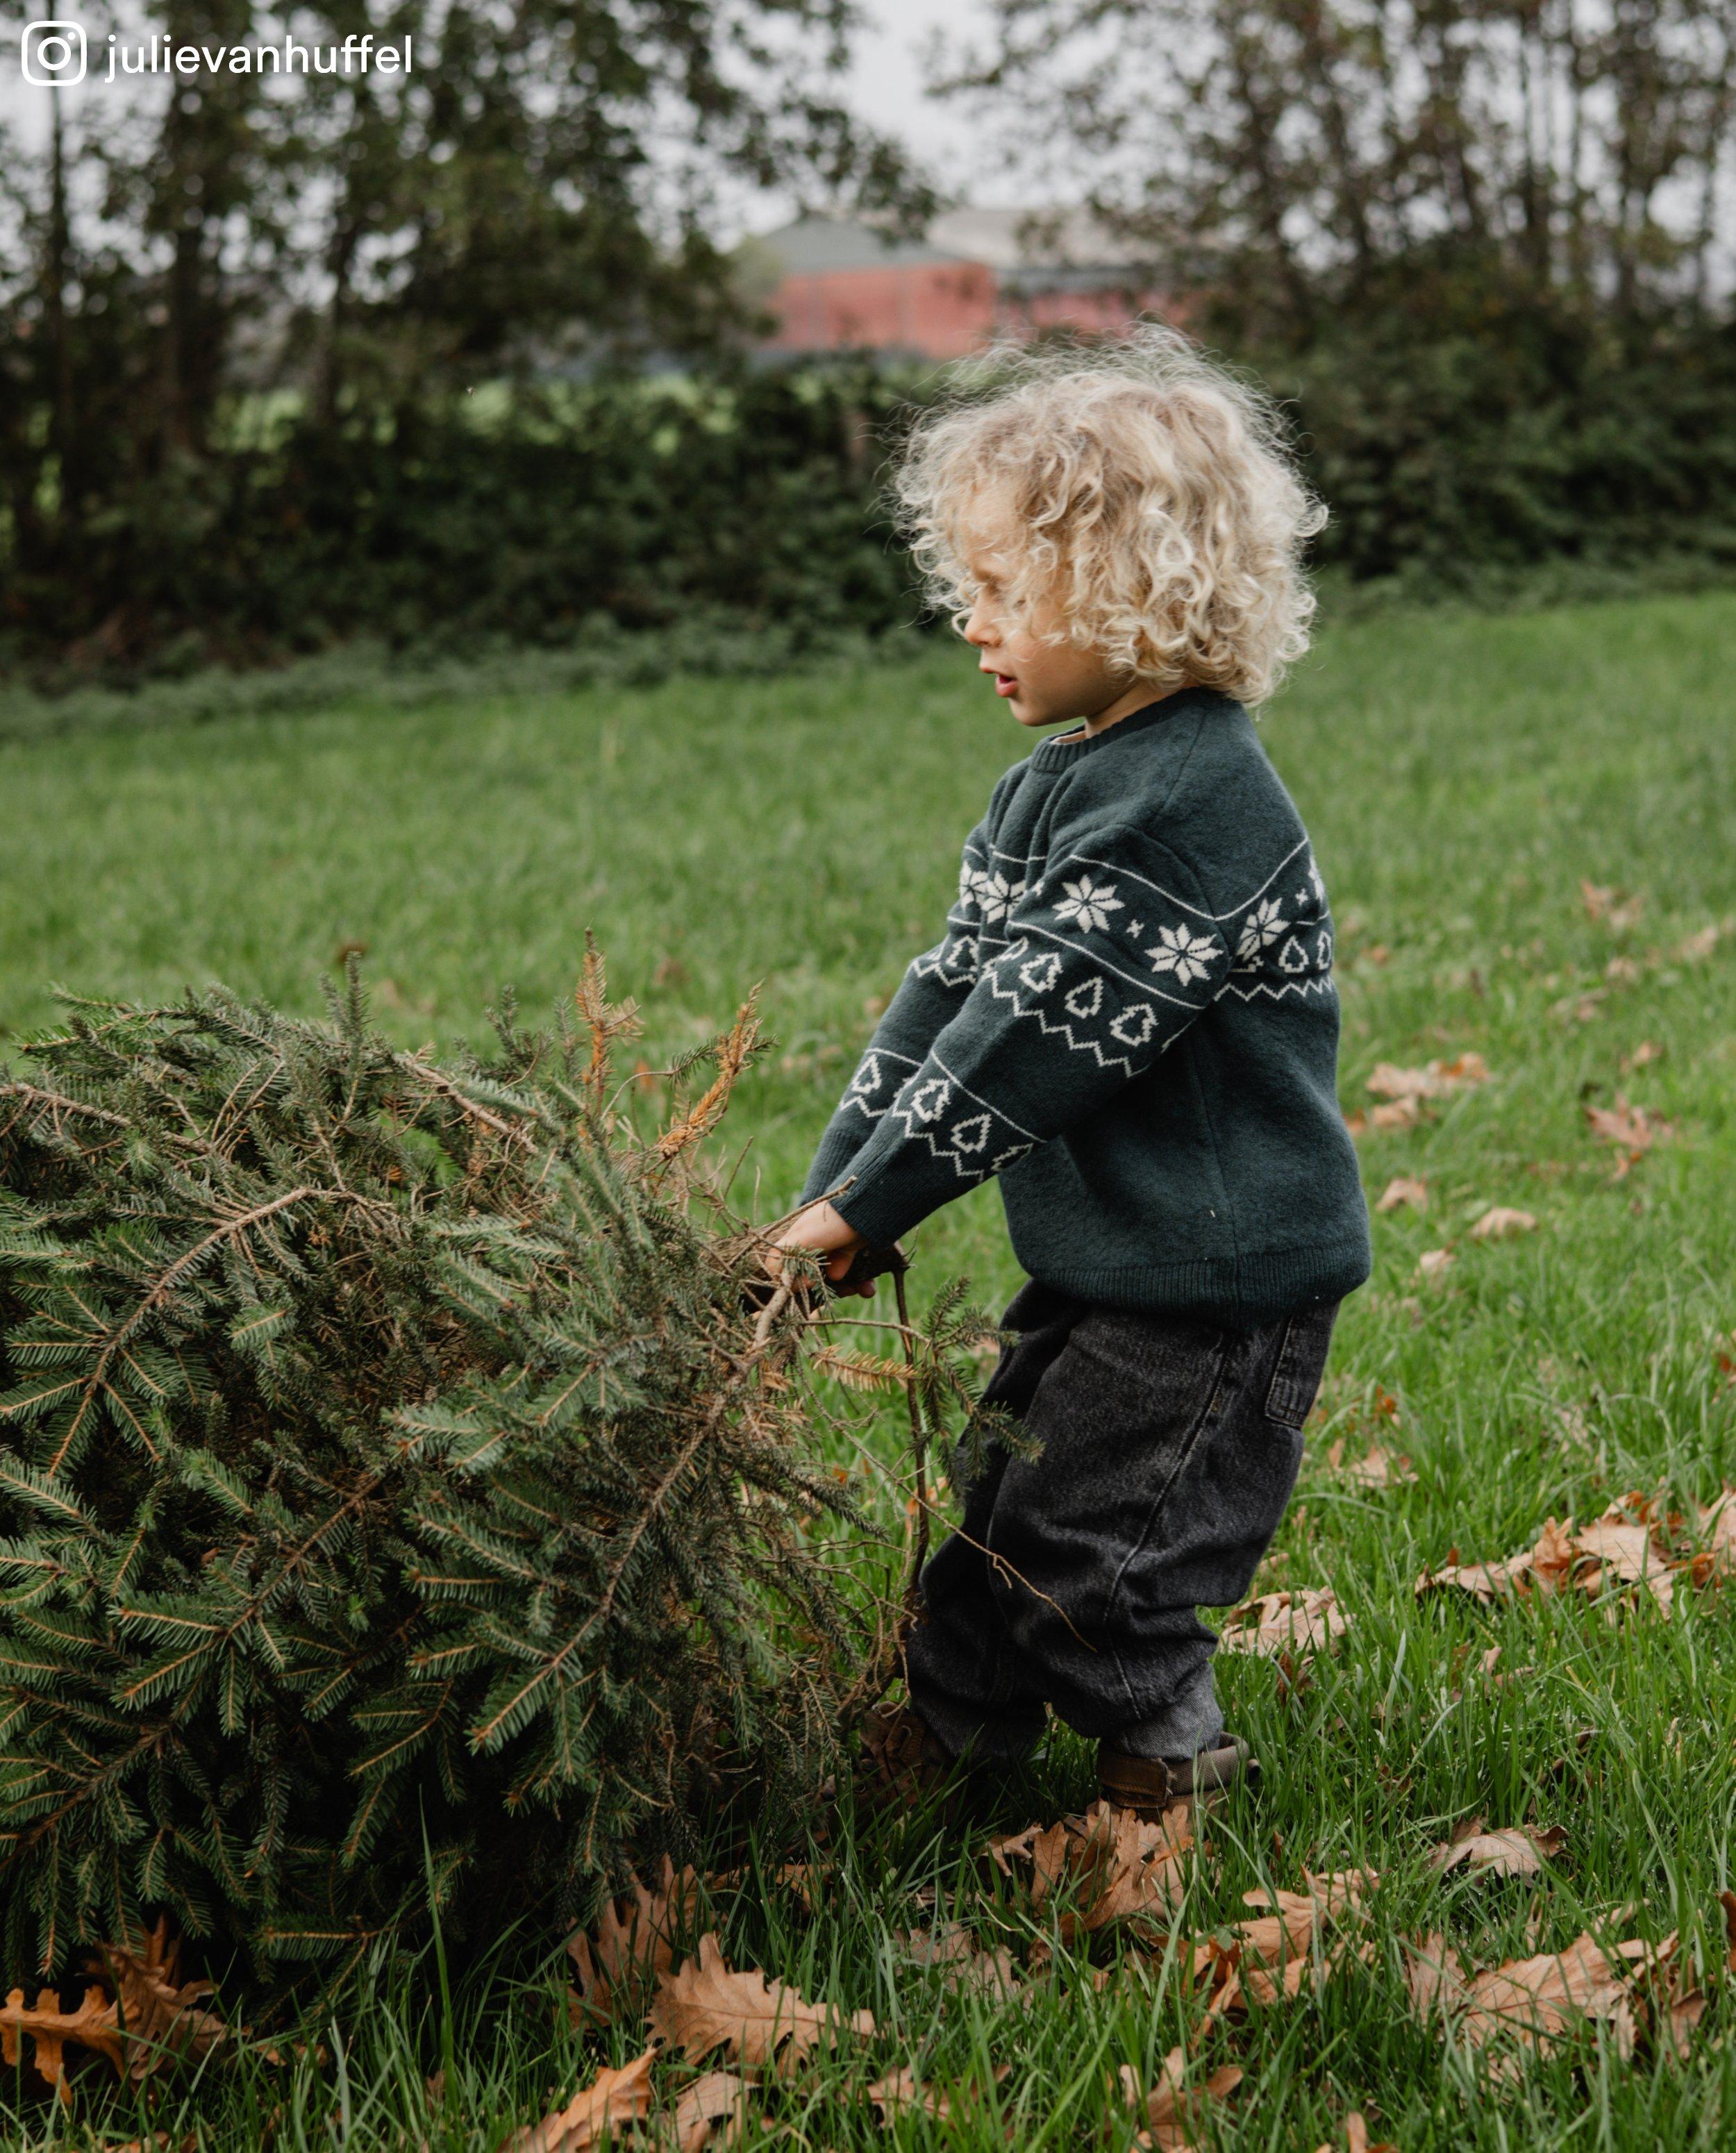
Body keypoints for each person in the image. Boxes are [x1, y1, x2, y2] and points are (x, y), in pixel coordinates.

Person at [771, 328, 1370, 1818]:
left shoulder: (1192, 796)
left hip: (1214, 1280)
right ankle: (940, 1777)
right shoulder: (1050, 781)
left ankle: (1166, 1788)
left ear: (1131, 587)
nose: (970, 623)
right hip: (1114, 1259)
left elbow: (1037, 1034)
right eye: (961, 586)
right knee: (994, 1524)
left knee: (1093, 1558)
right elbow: (950, 999)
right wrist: (840, 1202)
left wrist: (868, 1206)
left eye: (1003, 592)